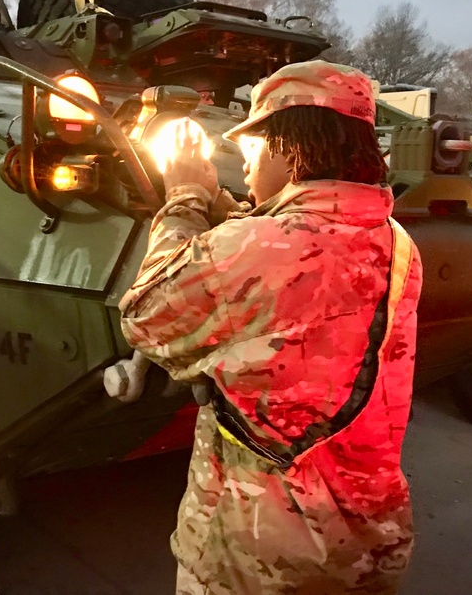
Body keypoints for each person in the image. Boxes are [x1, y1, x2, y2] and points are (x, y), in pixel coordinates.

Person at [118, 60, 423, 594]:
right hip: (366, 535)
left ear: (288, 147)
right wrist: (220, 203)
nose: (249, 168)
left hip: (264, 557)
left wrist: (184, 197)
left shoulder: (262, 250)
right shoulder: (394, 239)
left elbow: (146, 318)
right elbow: (278, 267)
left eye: (253, 152)